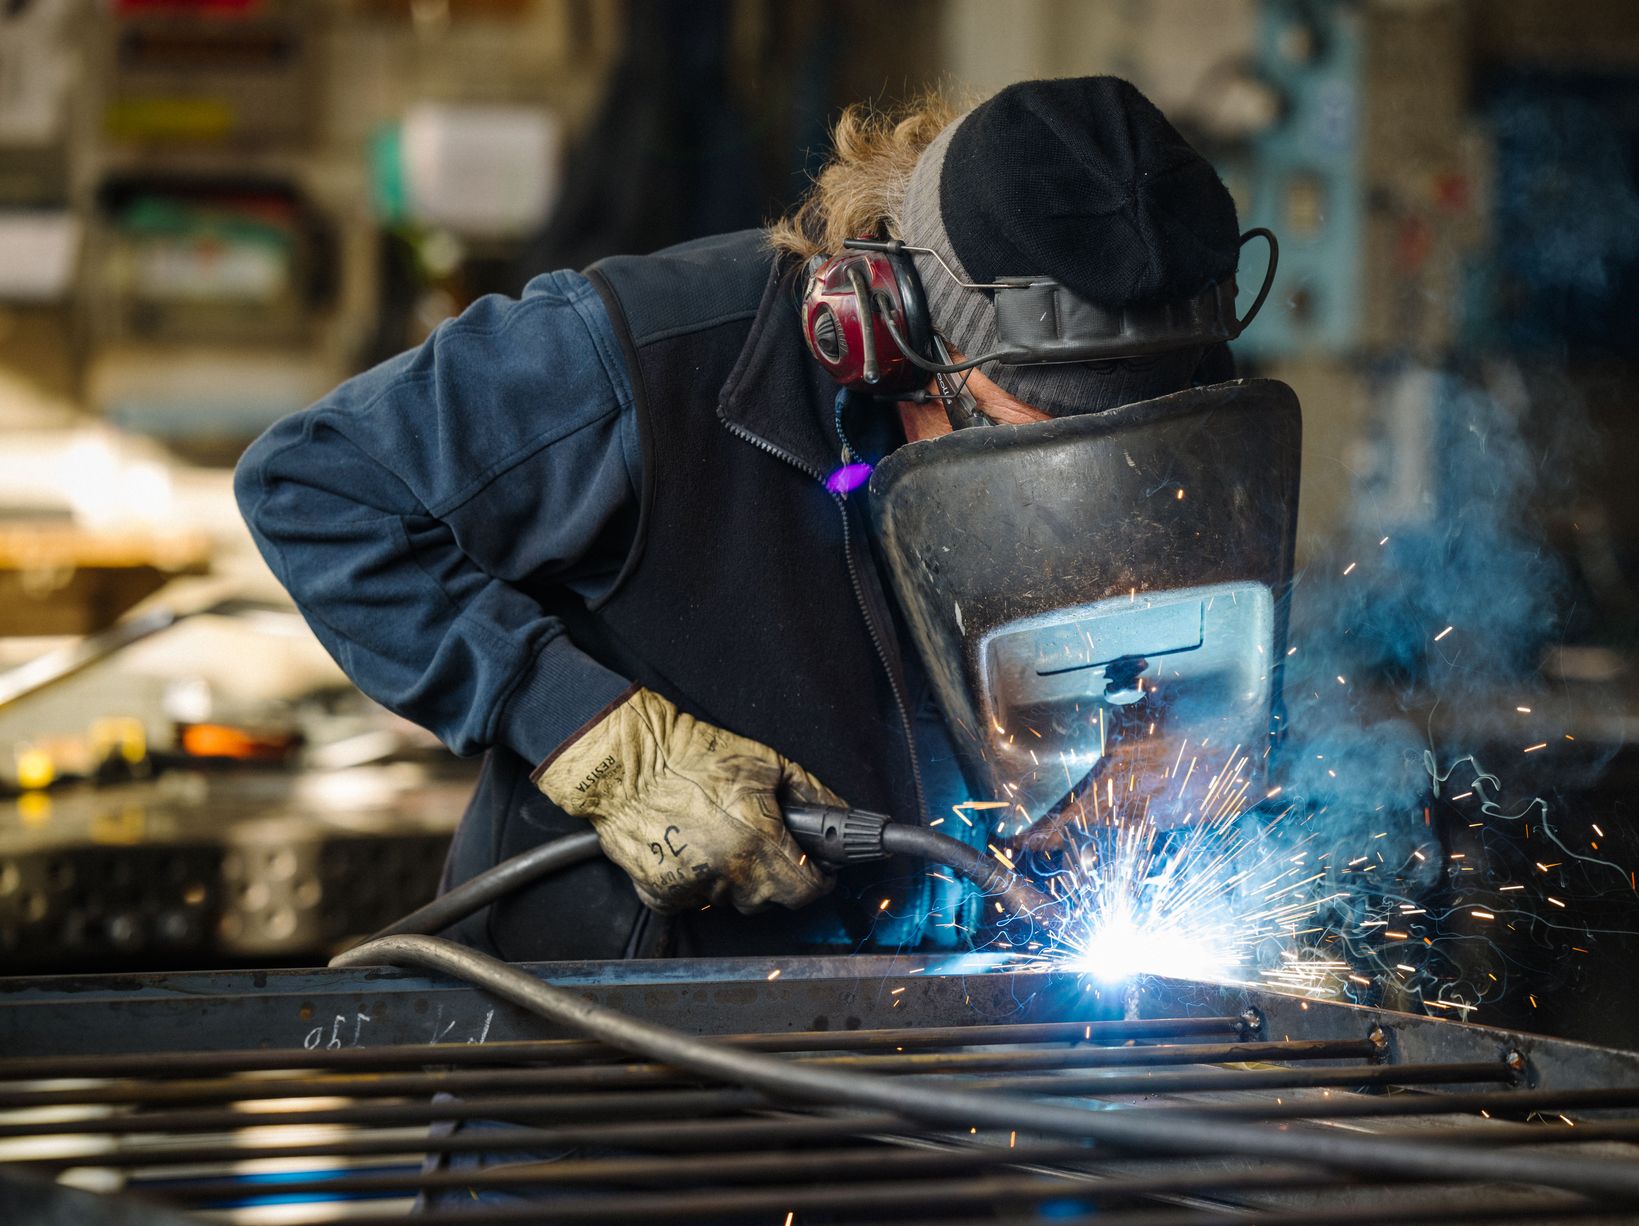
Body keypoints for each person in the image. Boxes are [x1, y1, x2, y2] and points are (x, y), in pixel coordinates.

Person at [235, 75, 1249, 963]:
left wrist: (1139, 743)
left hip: (932, 1069)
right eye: (1017, 441)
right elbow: (315, 483)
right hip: (599, 1064)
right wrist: (584, 729)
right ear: (886, 327)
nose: (1062, 503)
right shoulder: (652, 360)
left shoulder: (1171, 400)